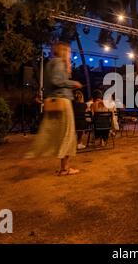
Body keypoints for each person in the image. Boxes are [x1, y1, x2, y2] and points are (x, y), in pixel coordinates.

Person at [26, 42, 82, 176]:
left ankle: (32, 156)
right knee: (68, 134)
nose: (70, 54)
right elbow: (57, 81)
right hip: (62, 101)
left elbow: (49, 83)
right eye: (68, 52)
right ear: (64, 52)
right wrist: (74, 83)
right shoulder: (59, 63)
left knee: (50, 132)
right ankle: (65, 168)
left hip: (52, 101)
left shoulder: (50, 63)